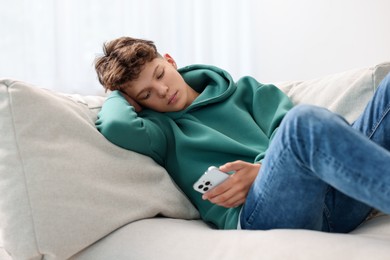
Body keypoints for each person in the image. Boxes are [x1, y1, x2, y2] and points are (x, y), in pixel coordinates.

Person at [94, 36, 390, 232]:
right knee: (304, 122)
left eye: (159, 74)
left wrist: (261, 170)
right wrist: (118, 95)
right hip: (262, 215)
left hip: (333, 194)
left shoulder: (245, 90)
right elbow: (116, 125)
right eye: (146, 93)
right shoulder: (162, 132)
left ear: (171, 61)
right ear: (136, 102)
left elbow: (282, 126)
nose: (162, 91)